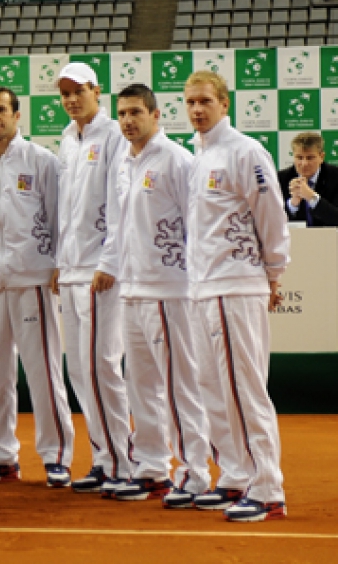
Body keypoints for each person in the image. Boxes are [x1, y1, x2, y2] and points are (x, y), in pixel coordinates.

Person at [184, 70, 290, 522]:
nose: (196, 109)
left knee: (244, 389)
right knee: (212, 387)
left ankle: (267, 488)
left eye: (205, 101)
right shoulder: (198, 155)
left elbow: (272, 213)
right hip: (204, 287)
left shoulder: (246, 151)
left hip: (235, 283)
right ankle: (234, 475)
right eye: (190, 102)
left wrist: (274, 270)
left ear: (224, 103)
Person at [0, 87, 74, 487]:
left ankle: (56, 455)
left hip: (33, 280)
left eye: (1, 110)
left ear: (17, 114)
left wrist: (56, 263)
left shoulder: (42, 161)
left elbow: (60, 215)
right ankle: (0, 456)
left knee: (43, 372)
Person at [110, 84, 212, 506]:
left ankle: (196, 473)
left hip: (171, 291)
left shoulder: (177, 160)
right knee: (141, 386)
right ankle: (152, 468)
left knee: (179, 385)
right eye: (122, 114)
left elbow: (198, 226)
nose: (128, 121)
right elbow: (118, 227)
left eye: (136, 112)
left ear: (155, 114)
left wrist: (193, 283)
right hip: (131, 291)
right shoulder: (123, 161)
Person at [53, 62, 133, 496]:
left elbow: (121, 204)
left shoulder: (115, 135)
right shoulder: (67, 140)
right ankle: (105, 457)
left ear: (96, 90)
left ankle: (122, 459)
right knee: (81, 371)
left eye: (77, 91)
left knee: (103, 365)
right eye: (63, 94)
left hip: (101, 272)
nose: (70, 100)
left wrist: (110, 261)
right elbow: (67, 210)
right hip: (71, 271)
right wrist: (59, 263)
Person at [277, 132, 338, 227]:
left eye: (310, 158)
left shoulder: (335, 177)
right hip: (295, 239)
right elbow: (274, 221)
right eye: (299, 157)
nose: (304, 163)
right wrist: (293, 204)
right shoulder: (281, 179)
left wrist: (312, 197)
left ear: (321, 157)